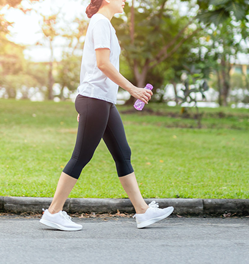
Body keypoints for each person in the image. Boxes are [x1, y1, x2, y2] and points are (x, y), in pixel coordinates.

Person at [40, 0, 174, 231]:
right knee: (81, 156)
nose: (124, 1)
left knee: (123, 153)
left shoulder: (105, 25)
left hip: (102, 101)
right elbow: (102, 64)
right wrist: (133, 89)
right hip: (95, 100)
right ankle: (53, 212)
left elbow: (98, 65)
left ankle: (142, 211)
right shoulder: (100, 22)